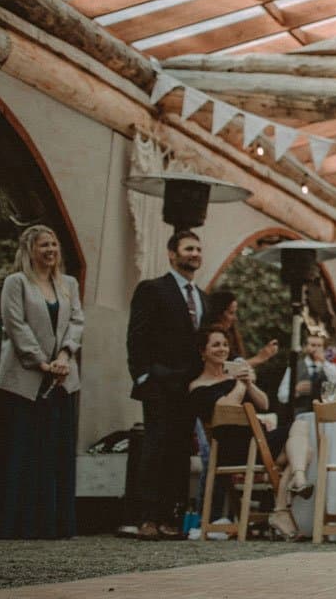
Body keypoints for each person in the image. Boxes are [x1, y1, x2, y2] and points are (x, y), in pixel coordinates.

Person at [0, 225, 84, 539]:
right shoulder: (16, 282)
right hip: (26, 379)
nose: (51, 251)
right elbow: (14, 324)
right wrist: (41, 362)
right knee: (26, 450)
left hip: (62, 377)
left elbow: (76, 321)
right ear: (30, 249)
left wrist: (64, 356)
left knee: (57, 449)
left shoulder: (68, 283)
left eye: (54, 245)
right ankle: (21, 524)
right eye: (44, 245)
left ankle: (56, 524)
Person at [188, 326, 316, 539]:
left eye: (225, 345)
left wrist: (248, 383)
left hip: (257, 442)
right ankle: (283, 506)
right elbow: (226, 408)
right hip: (233, 449)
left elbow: (264, 404)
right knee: (304, 450)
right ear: (203, 352)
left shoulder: (233, 380)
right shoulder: (198, 387)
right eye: (216, 345)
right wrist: (239, 384)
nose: (223, 349)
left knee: (301, 434)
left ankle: (297, 483)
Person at [127, 229, 206, 541]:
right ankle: (146, 517)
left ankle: (169, 517)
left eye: (198, 249)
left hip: (189, 389)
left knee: (179, 453)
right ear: (172, 254)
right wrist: (143, 377)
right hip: (159, 383)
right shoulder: (152, 289)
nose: (195, 253)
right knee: (155, 449)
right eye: (189, 248)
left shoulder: (203, 298)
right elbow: (137, 336)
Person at [201, 290, 278, 368]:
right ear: (219, 314)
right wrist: (260, 358)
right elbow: (227, 368)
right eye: (231, 313)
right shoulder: (211, 335)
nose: (235, 318)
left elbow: (236, 361)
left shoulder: (229, 334)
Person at [277, 331, 336, 413]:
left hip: (323, 415)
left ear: (324, 348)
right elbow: (281, 396)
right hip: (299, 417)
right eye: (313, 345)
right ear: (305, 347)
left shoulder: (330, 368)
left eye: (319, 346)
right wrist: (296, 390)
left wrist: (324, 362)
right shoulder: (295, 367)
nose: (316, 349)